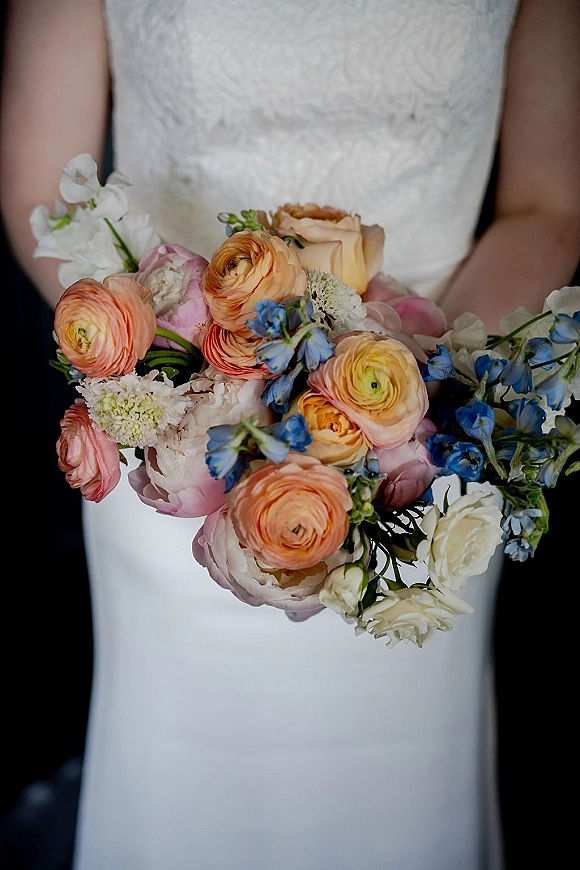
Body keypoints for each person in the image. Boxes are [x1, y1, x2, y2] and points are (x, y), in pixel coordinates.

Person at [1, 1, 579, 868]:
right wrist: (179, 385)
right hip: (175, 454)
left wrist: (416, 400)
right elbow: (41, 179)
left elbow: (547, 201)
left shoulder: (425, 436)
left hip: (421, 465)